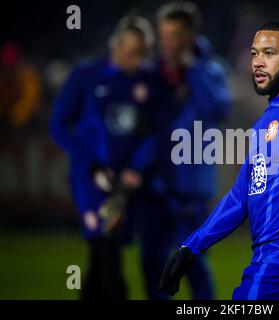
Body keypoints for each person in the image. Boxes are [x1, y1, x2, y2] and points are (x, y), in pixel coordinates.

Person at [160, 21, 279, 300]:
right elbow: (240, 197)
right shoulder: (265, 123)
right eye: (254, 53)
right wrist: (191, 247)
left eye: (269, 53)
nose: (258, 62)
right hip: (267, 261)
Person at [50, 16, 157, 300]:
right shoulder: (86, 75)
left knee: (102, 252)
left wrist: (136, 167)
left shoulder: (147, 81)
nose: (134, 59)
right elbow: (59, 124)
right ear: (116, 45)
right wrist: (87, 161)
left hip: (124, 180)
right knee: (107, 250)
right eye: (130, 51)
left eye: (140, 53)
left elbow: (154, 132)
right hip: (91, 180)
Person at [151, 1, 231, 300]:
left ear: (189, 36)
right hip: (156, 179)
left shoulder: (210, 69)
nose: (166, 42)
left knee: (192, 259)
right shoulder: (156, 72)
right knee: (156, 260)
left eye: (173, 35)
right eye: (163, 35)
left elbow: (218, 108)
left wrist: (192, 70)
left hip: (192, 180)